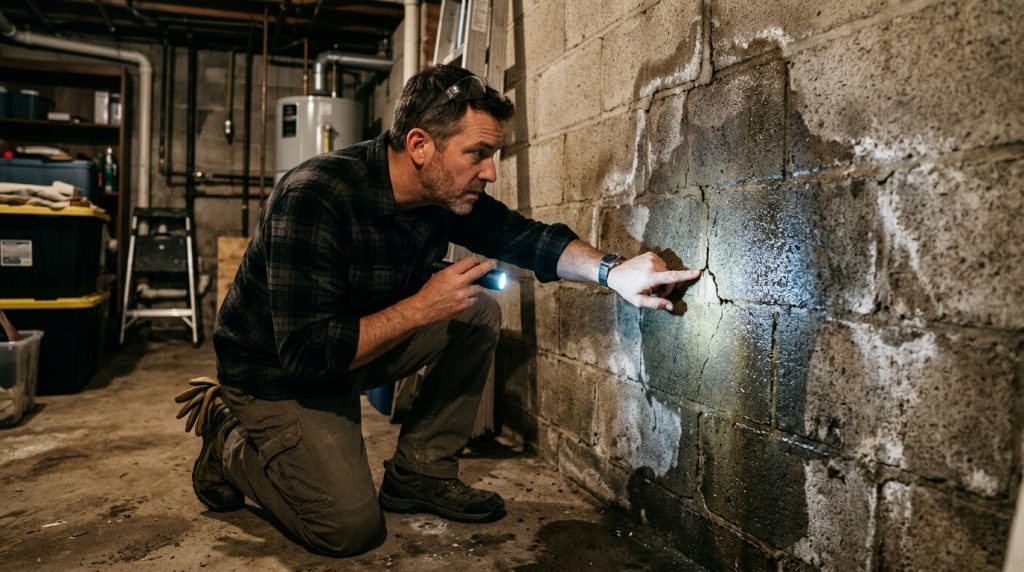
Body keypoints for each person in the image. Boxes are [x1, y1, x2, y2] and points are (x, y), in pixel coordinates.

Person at [178, 64, 701, 557]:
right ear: (420, 146)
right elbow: (308, 355)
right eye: (477, 154)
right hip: (278, 374)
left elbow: (525, 238)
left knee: (476, 312)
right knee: (347, 528)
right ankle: (226, 438)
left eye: (493, 155)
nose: (489, 172)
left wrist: (612, 271)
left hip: (349, 351)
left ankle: (419, 473)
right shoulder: (314, 196)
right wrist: (421, 307)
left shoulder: (441, 196)